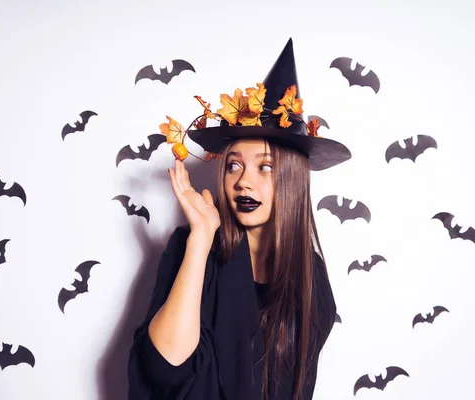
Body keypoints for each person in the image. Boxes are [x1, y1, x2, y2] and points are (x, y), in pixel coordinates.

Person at [127, 38, 352, 400]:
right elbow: (165, 366)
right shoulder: (190, 247)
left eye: (265, 167)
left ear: (291, 181)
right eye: (234, 166)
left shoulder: (309, 275)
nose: (243, 181)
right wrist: (201, 240)